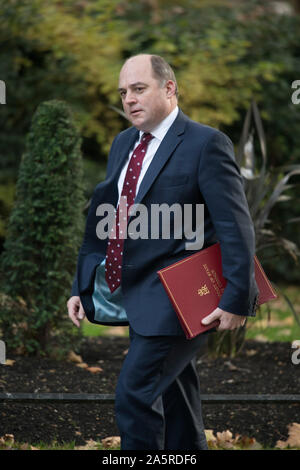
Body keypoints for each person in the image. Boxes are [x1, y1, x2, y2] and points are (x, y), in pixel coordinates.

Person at [67, 54, 258, 450]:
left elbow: (235, 225)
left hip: (183, 299)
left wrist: (238, 296)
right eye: (123, 93)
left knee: (135, 394)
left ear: (169, 88)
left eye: (139, 89)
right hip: (140, 294)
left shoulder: (206, 143)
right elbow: (107, 218)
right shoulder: (123, 144)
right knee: (175, 396)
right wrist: (81, 284)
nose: (129, 100)